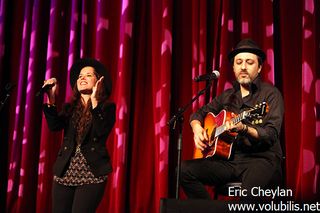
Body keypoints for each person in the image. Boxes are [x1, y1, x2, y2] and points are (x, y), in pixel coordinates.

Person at [180, 39, 284, 200]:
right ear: (234, 68)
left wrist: (244, 128)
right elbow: (198, 113)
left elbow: (271, 134)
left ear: (259, 67)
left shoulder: (270, 94)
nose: (243, 67)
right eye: (239, 62)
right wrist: (196, 128)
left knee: (246, 200)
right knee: (183, 171)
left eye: (249, 62)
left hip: (261, 160)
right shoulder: (227, 96)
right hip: (230, 160)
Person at [42, 58, 116, 212]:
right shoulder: (70, 108)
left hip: (92, 174)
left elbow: (101, 130)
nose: (82, 78)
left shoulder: (107, 107)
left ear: (98, 82)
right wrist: (51, 98)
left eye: (88, 75)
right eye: (80, 76)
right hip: (65, 172)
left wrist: (95, 102)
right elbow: (54, 126)